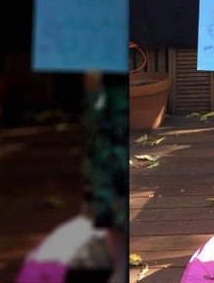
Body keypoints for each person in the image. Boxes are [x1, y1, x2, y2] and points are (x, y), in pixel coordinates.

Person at [81, 70, 129, 283]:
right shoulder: (99, 84)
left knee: (122, 210)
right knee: (111, 213)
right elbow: (91, 123)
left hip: (121, 149)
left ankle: (120, 267)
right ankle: (119, 267)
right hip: (107, 153)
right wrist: (93, 89)